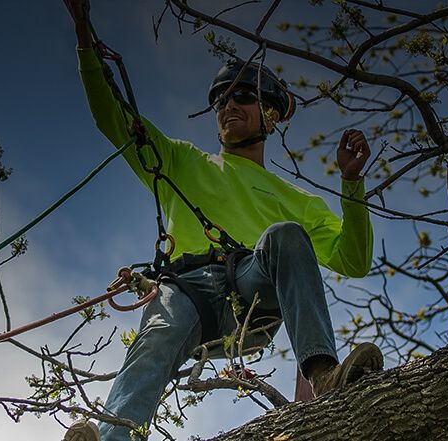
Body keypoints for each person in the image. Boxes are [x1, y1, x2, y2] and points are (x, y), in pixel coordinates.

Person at [59, 1, 383, 440]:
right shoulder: (180, 160)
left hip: (251, 293)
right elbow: (111, 118)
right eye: (221, 99)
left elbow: (354, 260)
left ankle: (324, 374)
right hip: (185, 289)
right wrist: (84, 37)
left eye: (243, 96)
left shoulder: (298, 201)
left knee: (285, 236)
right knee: (156, 336)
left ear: (269, 114)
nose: (229, 104)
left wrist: (351, 185)